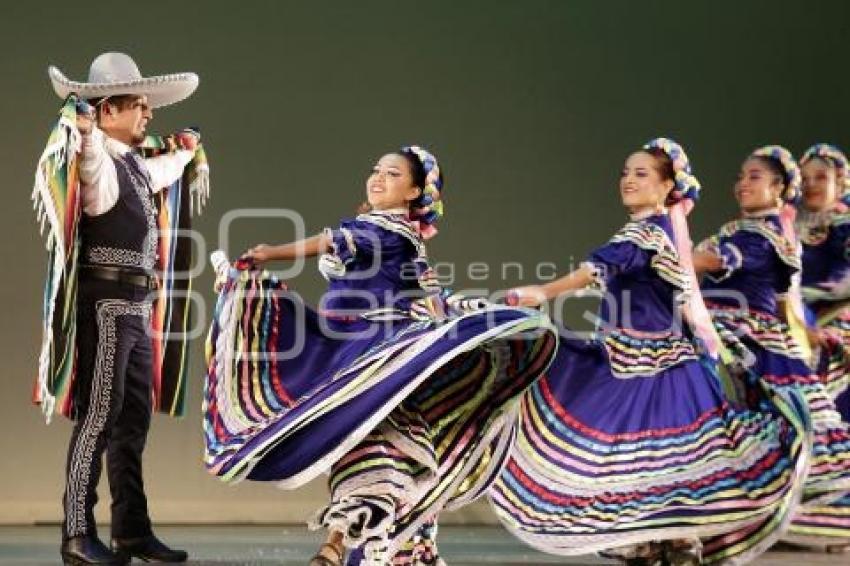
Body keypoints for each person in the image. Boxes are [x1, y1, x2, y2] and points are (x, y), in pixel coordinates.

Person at [203, 146, 557, 565]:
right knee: (370, 444)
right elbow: (430, 295)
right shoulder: (391, 234)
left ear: (413, 192)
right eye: (375, 170)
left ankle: (338, 543)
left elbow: (331, 243)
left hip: (374, 352)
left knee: (374, 444)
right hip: (349, 350)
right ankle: (360, 543)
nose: (377, 177)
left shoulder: (390, 231)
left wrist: (270, 253)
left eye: (391, 173)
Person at [489, 138, 806, 565]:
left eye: (641, 174)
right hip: (645, 359)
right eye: (625, 172)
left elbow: (599, 268)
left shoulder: (648, 232)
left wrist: (544, 291)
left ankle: (665, 539)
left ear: (666, 188)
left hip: (655, 365)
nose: (628, 180)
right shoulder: (654, 231)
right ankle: (665, 539)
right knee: (653, 461)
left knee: (643, 455)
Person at [32, 52, 208, 565]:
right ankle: (76, 532)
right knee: (99, 417)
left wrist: (187, 151)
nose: (147, 115)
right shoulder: (99, 160)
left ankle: (131, 530)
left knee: (132, 419)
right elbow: (88, 169)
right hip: (106, 303)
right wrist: (85, 135)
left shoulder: (132, 165)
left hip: (134, 304)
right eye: (138, 106)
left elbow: (163, 170)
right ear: (108, 110)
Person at [695, 145, 850, 552]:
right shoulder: (765, 229)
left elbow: (806, 290)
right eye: (741, 177)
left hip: (798, 327)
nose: (743, 184)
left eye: (755, 177)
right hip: (759, 327)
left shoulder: (768, 235)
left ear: (780, 187)